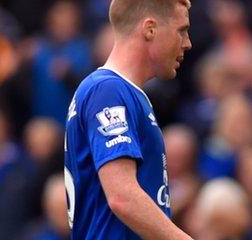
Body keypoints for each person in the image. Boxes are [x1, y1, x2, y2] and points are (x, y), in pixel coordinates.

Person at [63, 0, 193, 239]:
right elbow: (122, 198)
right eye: (181, 30)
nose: (187, 43)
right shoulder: (108, 90)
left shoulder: (124, 93)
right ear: (150, 29)